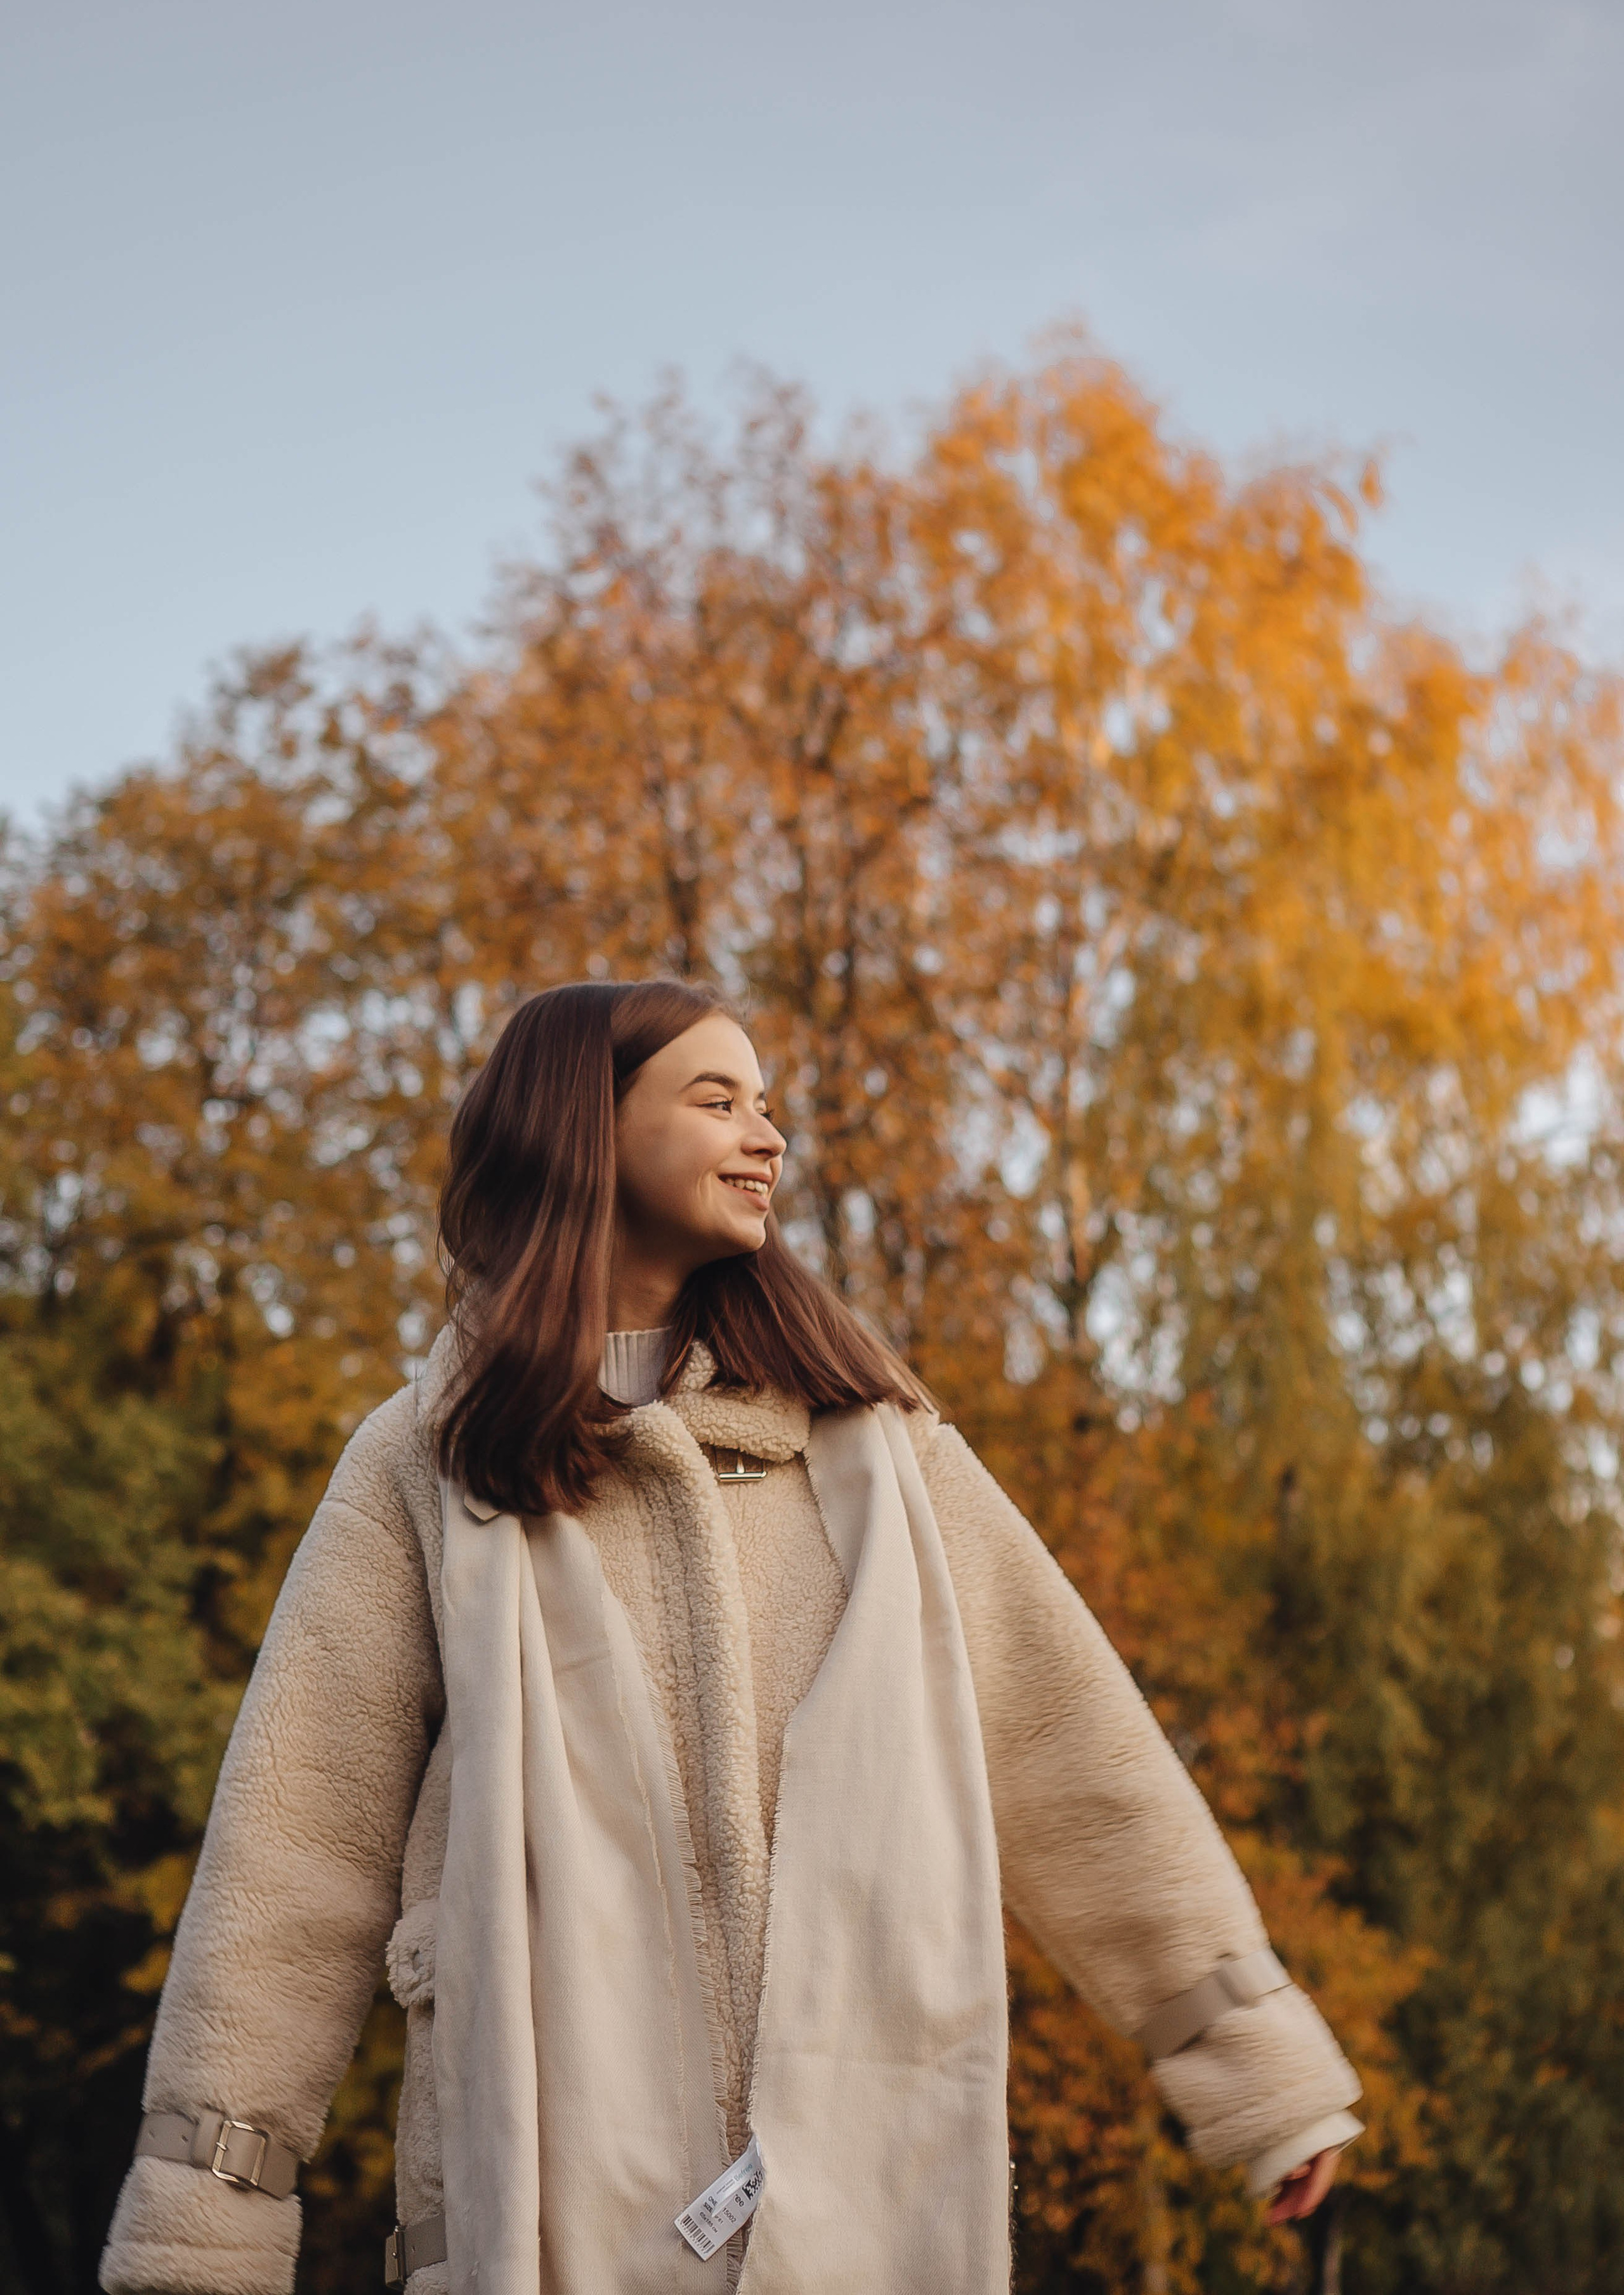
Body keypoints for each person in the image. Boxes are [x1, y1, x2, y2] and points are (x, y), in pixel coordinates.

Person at [99, 978, 1359, 2295]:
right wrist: (211, 2216)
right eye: (716, 1101)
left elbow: (1075, 1749)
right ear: (584, 1126)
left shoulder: (882, 1452)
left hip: (870, 2217)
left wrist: (1247, 2066)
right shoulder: (425, 1461)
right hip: (541, 2218)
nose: (767, 1138)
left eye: (767, 1106)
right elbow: (296, 1848)